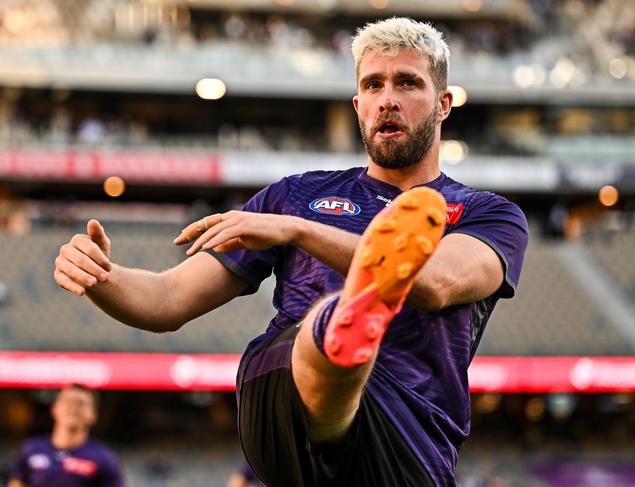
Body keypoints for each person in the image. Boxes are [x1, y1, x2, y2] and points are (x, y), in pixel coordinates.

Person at [53, 17, 528, 486]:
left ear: (443, 104)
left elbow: (436, 283)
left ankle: (345, 324)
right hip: (281, 401)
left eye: (407, 83)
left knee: (342, 325)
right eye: (374, 85)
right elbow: (166, 299)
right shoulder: (294, 196)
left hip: (407, 441)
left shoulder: (489, 215)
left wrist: (299, 232)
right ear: (358, 104)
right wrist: (103, 277)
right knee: (317, 335)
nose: (388, 99)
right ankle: (341, 327)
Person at [8, 384, 124, 487]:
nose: (73, 408)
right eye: (68, 402)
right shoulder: (32, 448)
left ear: (93, 415)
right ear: (54, 409)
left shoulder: (104, 459)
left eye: (81, 404)